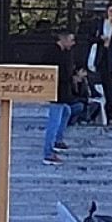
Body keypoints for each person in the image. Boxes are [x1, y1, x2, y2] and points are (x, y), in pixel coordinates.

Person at [42, 31, 77, 165]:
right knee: (54, 121)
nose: (73, 44)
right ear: (64, 39)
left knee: (66, 112)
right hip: (56, 91)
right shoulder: (52, 54)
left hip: (63, 91)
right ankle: (48, 153)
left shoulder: (66, 53)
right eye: (71, 40)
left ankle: (58, 140)